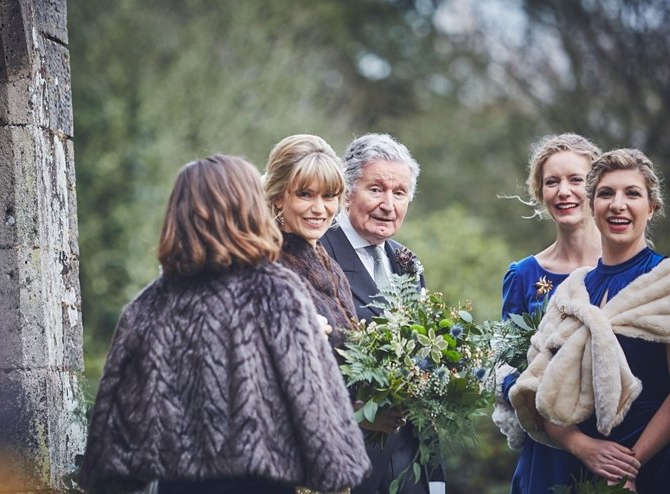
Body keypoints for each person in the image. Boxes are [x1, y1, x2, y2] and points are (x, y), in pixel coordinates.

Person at [79, 154, 370, 494]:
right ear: (250, 208)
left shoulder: (148, 305)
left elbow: (117, 430)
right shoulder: (276, 291)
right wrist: (335, 471)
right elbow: (312, 398)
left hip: (178, 486)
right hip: (261, 485)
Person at [510, 149, 670, 493]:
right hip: (575, 469)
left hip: (650, 469)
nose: (618, 204)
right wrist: (582, 447)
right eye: (606, 194)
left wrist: (629, 465)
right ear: (592, 206)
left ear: (651, 207)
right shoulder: (571, 291)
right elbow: (544, 388)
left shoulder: (665, 280)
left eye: (632, 194)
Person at [320, 133, 440, 494]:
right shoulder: (319, 254)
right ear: (347, 191)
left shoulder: (407, 262)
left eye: (399, 193)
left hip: (407, 468)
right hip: (346, 464)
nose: (388, 204)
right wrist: (359, 410)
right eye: (376, 189)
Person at [492, 133, 602, 494]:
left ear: (598, 188)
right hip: (548, 449)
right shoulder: (523, 274)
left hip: (619, 441)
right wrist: (532, 395)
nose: (564, 191)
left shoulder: (633, 269)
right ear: (539, 192)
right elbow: (503, 363)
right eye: (552, 182)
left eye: (576, 180)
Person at [263, 134, 357, 350]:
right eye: (305, 194)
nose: (319, 208)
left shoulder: (332, 268)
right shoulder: (268, 269)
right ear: (278, 197)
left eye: (329, 196)